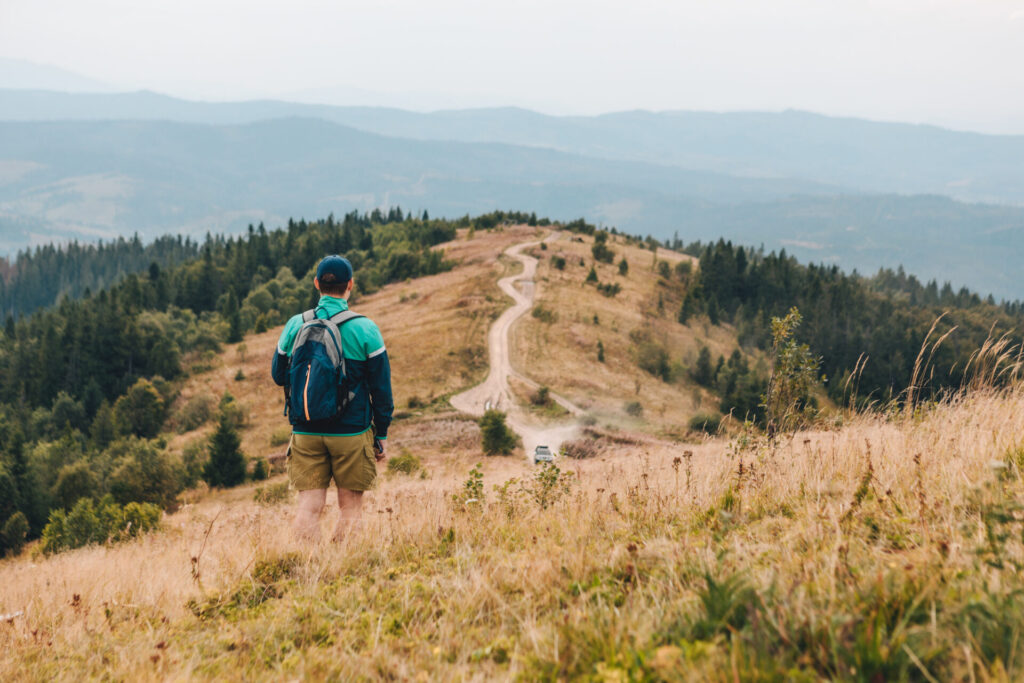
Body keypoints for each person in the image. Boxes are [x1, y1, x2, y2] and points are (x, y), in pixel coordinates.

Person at [271, 255, 393, 541]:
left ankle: (309, 570)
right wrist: (382, 432)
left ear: (316, 284)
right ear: (350, 285)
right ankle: (340, 571)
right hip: (351, 433)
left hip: (306, 431)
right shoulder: (366, 329)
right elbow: (381, 390)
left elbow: (279, 375)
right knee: (350, 508)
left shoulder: (294, 325)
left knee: (309, 507)